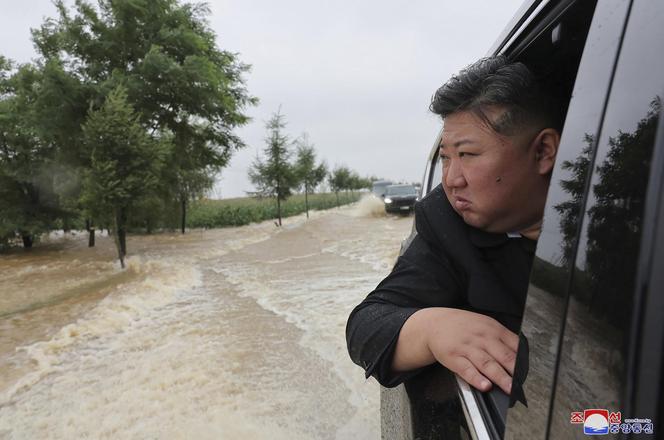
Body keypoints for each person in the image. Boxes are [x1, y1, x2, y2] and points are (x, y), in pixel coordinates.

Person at [346, 56, 562, 395]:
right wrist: (431, 328)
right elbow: (366, 327)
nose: (450, 180)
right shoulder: (447, 225)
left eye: (468, 155)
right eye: (446, 158)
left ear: (543, 152)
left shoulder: (622, 226)